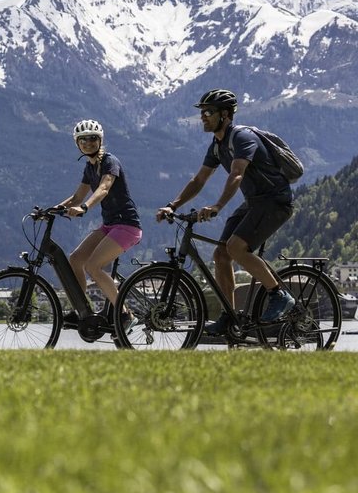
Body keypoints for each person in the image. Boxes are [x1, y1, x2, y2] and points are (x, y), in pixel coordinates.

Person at [156, 88, 295, 335]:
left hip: (275, 201)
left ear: (225, 115)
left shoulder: (242, 137)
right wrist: (173, 205)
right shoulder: (217, 145)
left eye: (208, 112)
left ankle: (278, 294)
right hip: (254, 202)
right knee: (221, 255)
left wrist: (217, 206)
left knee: (236, 247)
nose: (203, 117)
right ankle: (229, 316)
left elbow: (237, 174)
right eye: (202, 112)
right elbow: (199, 180)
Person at [54, 119, 142, 332]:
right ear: (77, 143)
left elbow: (104, 188)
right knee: (76, 259)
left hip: (127, 226)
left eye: (93, 138)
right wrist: (53, 209)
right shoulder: (89, 167)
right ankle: (82, 310)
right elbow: (77, 196)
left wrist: (84, 207)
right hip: (109, 225)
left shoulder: (110, 162)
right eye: (83, 140)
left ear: (100, 140)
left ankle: (126, 314)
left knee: (93, 266)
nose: (88, 143)